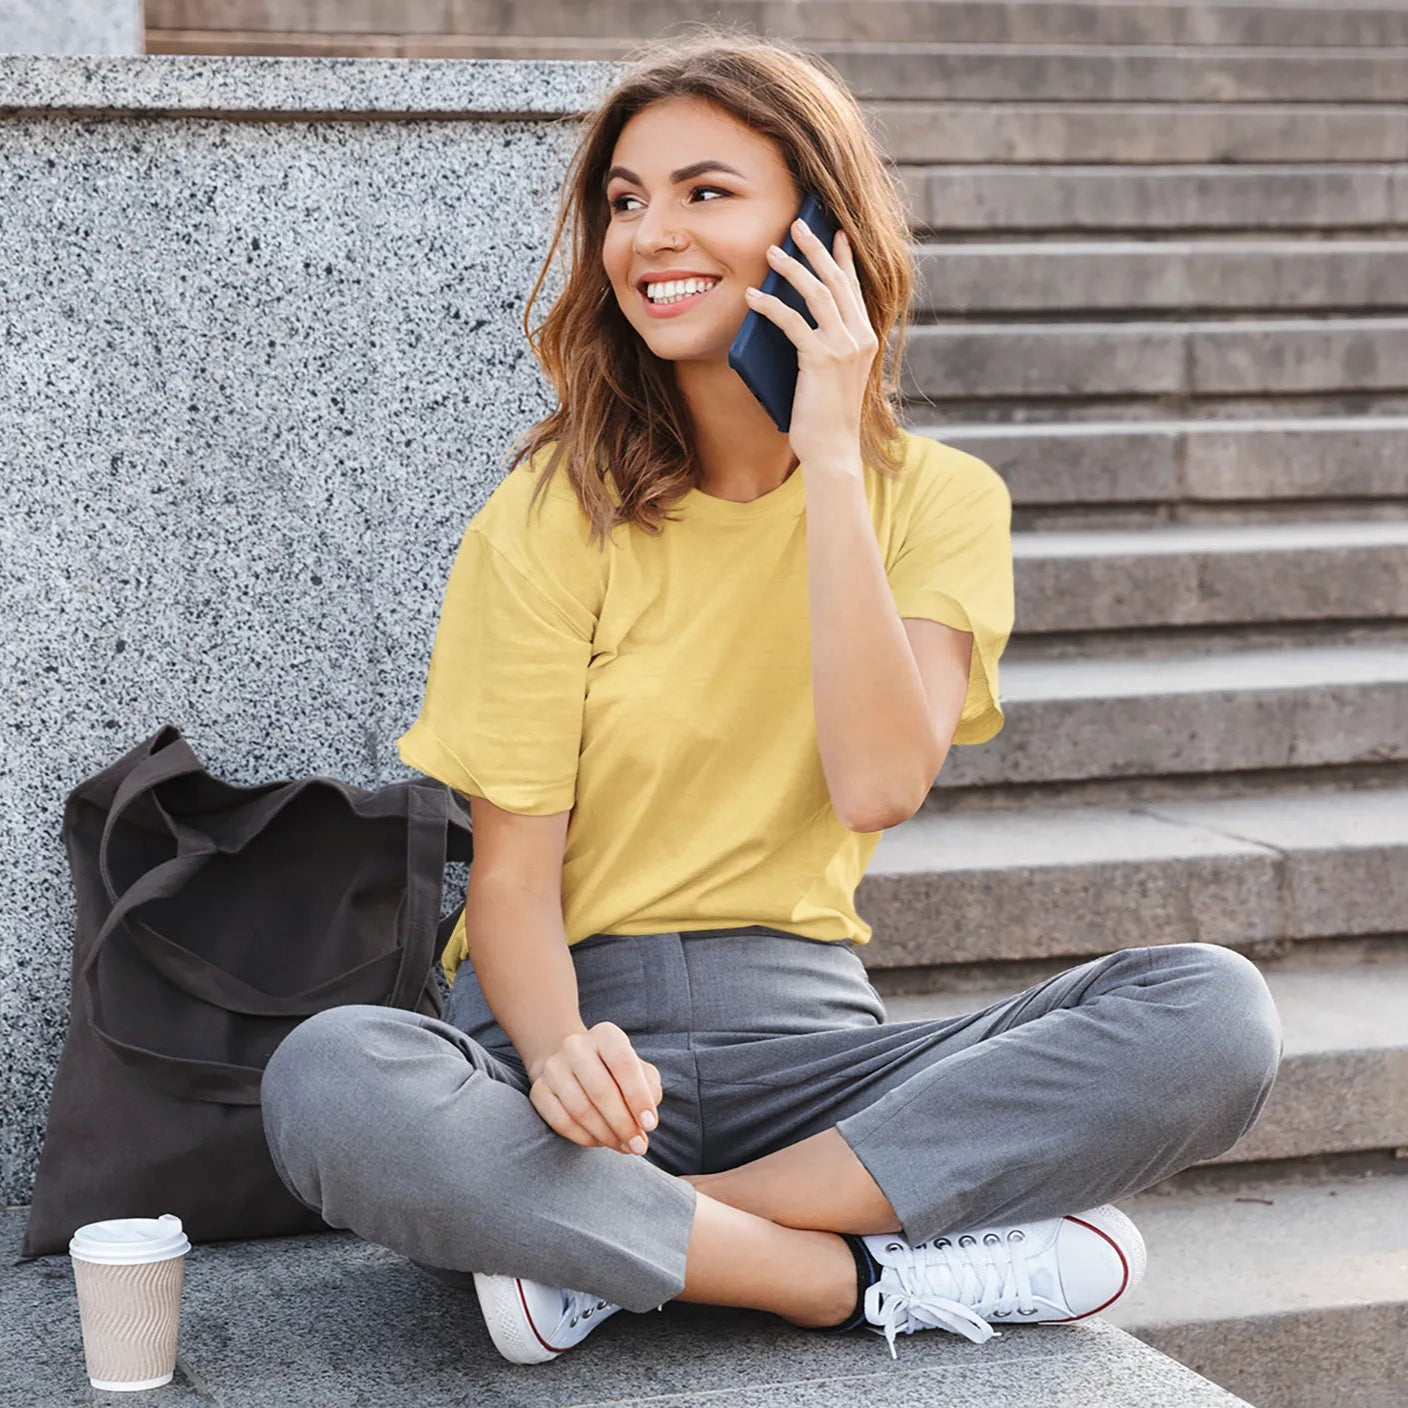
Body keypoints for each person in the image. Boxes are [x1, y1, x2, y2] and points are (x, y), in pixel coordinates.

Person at [259, 30, 1285, 1368]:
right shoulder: (552, 509)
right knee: (329, 1080)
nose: (647, 236)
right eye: (623, 200)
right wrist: (563, 1053)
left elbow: (877, 783)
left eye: (704, 191)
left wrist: (832, 464)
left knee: (1210, 1016)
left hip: (812, 1061)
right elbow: (510, 881)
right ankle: (835, 1277)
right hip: (575, 1050)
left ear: (820, 231)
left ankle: (608, 1247)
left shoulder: (939, 503)